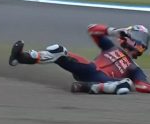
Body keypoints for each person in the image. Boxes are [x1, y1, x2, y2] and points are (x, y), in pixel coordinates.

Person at [9, 24, 150, 95]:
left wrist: (138, 81)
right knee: (59, 51)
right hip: (88, 69)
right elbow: (92, 29)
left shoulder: (134, 69)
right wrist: (113, 31)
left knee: (125, 85)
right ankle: (22, 57)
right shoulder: (110, 47)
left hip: (103, 78)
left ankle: (88, 87)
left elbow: (143, 87)